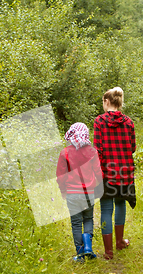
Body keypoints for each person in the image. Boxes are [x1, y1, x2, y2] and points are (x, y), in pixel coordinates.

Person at [94, 87, 136, 260]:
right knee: (120, 205)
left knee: (106, 208)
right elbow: (132, 148)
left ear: (106, 102)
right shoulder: (129, 122)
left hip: (106, 172)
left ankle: (108, 251)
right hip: (124, 172)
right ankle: (119, 242)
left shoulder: (99, 121)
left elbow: (98, 149)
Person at [56, 122, 103, 262]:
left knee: (76, 223)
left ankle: (80, 254)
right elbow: (99, 173)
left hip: (72, 193)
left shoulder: (65, 152)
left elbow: (60, 175)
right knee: (88, 219)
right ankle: (88, 247)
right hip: (89, 193)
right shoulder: (92, 152)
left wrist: (63, 191)